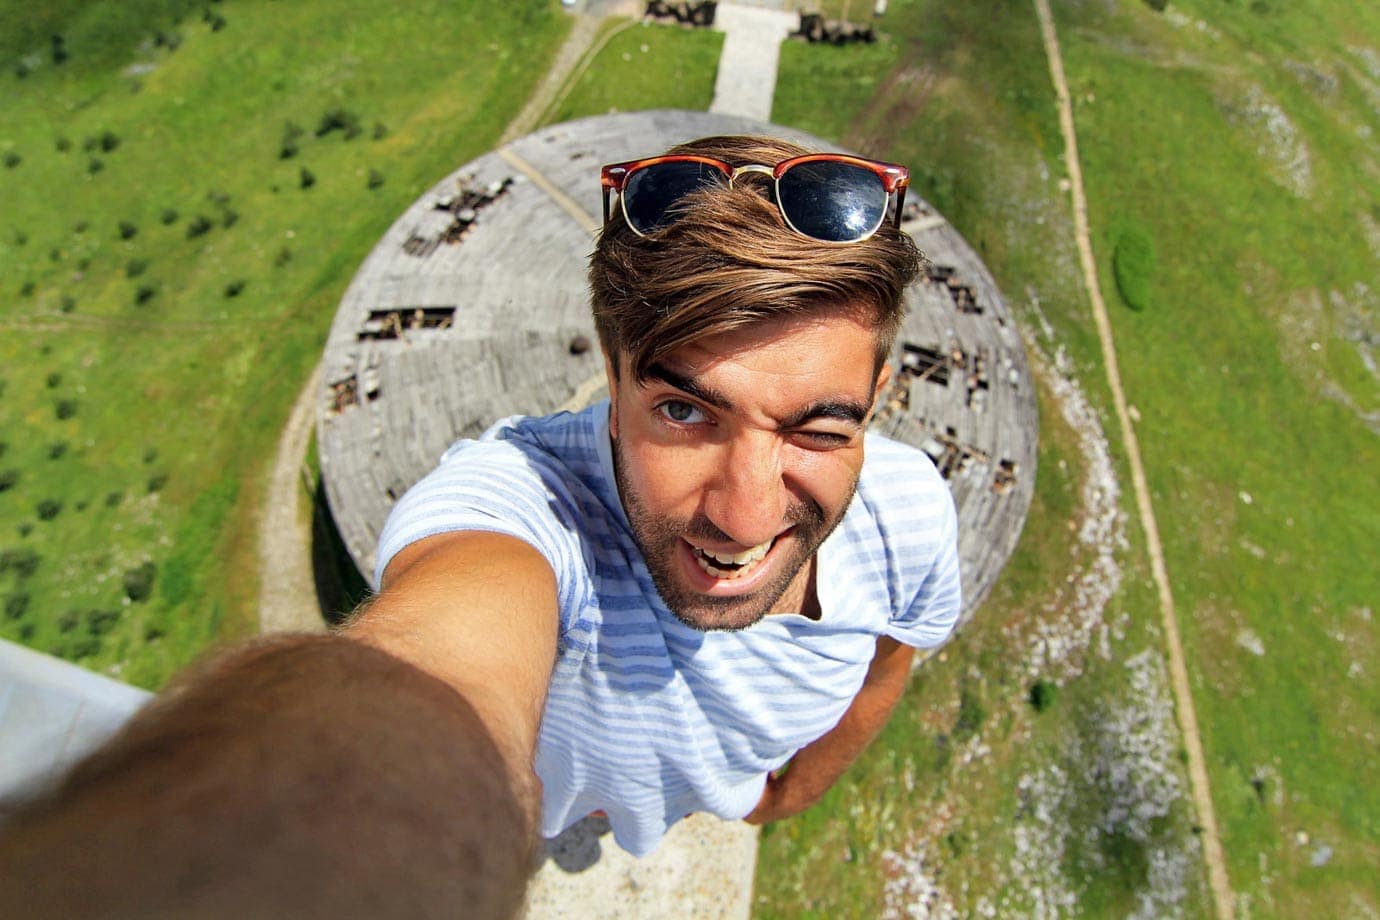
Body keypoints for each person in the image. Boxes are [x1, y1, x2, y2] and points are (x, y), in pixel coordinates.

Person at [0, 134, 960, 916]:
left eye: (819, 426)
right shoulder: (522, 506)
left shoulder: (911, 513)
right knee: (554, 822)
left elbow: (894, 653)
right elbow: (435, 669)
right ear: (612, 372)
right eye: (683, 411)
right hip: (541, 803)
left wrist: (793, 792)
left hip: (707, 789)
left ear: (878, 396)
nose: (745, 514)